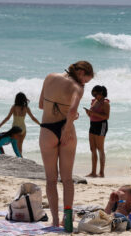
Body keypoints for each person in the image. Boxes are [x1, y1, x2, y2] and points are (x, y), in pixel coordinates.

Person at [39, 61, 94, 227]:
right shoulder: (77, 87)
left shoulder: (49, 77)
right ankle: (67, 218)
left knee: (51, 180)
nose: (84, 83)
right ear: (80, 72)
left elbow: (41, 105)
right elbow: (71, 111)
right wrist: (68, 128)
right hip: (66, 131)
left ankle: (55, 220)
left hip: (47, 131)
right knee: (67, 179)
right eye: (85, 79)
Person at [85, 85, 110, 178]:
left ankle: (101, 172)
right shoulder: (94, 101)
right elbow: (92, 115)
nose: (95, 96)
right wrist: (89, 113)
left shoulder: (105, 103)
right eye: (93, 94)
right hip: (93, 124)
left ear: (101, 93)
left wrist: (93, 113)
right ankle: (93, 172)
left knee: (100, 148)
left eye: (96, 94)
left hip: (101, 125)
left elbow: (106, 116)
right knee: (92, 148)